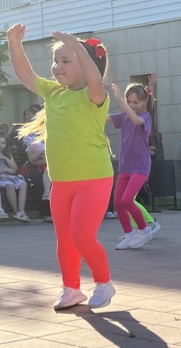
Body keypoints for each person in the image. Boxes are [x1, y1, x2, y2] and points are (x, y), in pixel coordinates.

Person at [10, 25, 116, 309]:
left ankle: (104, 283)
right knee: (65, 240)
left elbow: (96, 81)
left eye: (66, 60)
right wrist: (15, 44)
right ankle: (71, 288)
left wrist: (77, 46)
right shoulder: (53, 93)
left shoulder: (94, 96)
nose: (57, 66)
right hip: (61, 182)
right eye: (55, 60)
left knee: (82, 237)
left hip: (93, 179)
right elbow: (25, 75)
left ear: (86, 64)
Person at [108, 82, 154, 250]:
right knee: (118, 202)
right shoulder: (123, 116)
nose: (132, 105)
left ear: (144, 102)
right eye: (129, 101)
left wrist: (121, 101)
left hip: (140, 167)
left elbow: (136, 120)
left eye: (135, 102)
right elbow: (104, 117)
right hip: (125, 167)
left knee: (127, 200)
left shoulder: (146, 117)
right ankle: (129, 234)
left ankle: (144, 230)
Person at [0, 131, 29, 222]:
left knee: (23, 184)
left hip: (10, 177)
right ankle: (15, 211)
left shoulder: (8, 155)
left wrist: (6, 159)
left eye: (3, 143)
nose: (1, 145)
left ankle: (21, 211)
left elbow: (14, 169)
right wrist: (5, 169)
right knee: (9, 185)